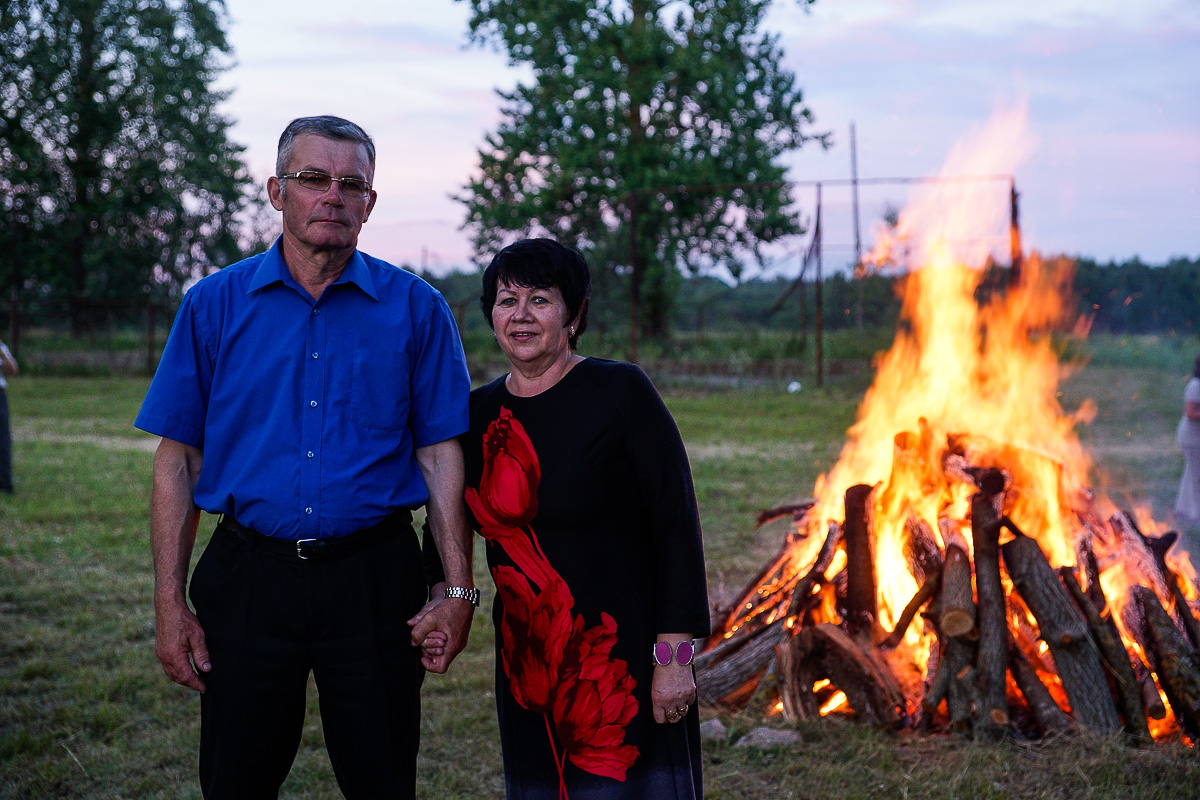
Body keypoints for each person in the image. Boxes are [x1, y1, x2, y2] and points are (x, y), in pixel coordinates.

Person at [134, 115, 476, 800]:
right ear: (276, 190)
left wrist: (457, 589)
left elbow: (441, 458)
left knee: (382, 780)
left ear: (370, 203)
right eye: (314, 179)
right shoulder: (212, 306)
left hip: (375, 582)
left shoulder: (418, 309)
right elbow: (177, 462)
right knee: (236, 781)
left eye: (352, 184)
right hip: (248, 579)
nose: (334, 196)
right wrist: (170, 602)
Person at [460, 238, 709, 798]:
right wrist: (448, 603)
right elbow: (446, 526)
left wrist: (673, 657)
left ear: (573, 317)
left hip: (619, 659)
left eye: (540, 299)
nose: (520, 315)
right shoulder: (476, 415)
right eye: (506, 300)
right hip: (528, 661)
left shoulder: (620, 392)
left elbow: (676, 524)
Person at [1175, 353, 1200, 526]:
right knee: (1196, 474)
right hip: (1191, 437)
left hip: (1196, 437)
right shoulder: (1196, 385)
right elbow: (1190, 413)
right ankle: (1196, 512)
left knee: (1190, 473)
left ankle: (1183, 510)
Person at [0, 337, 17, 494]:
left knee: (2, 441)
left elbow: (12, 370)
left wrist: (2, 354)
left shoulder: (1, 347)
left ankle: (5, 483)